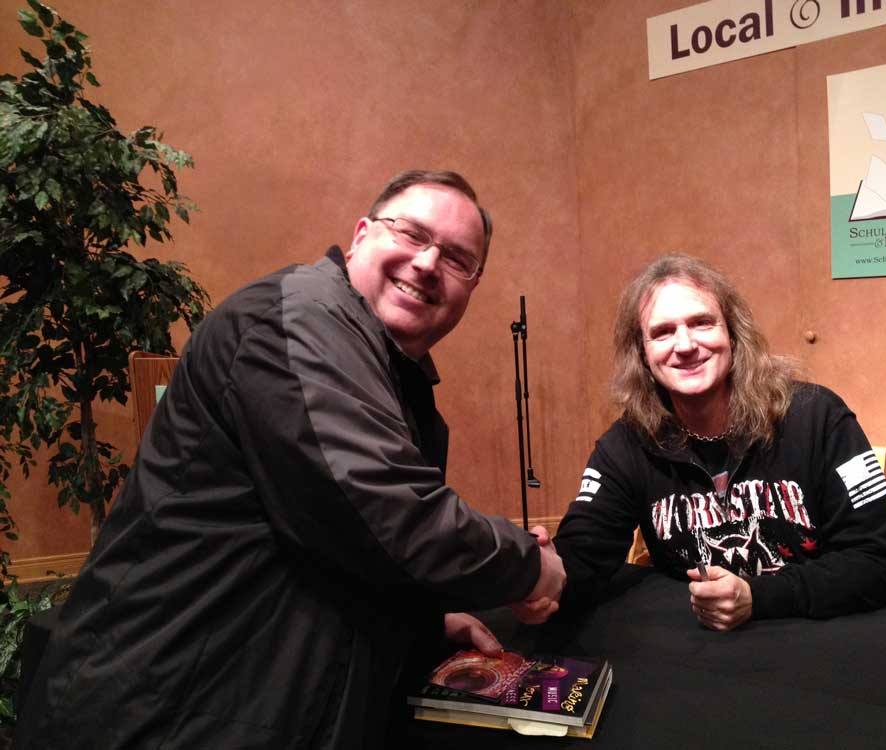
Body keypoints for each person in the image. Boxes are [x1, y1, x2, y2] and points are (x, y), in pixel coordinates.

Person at [16, 170, 564, 749]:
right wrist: (530, 565)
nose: (428, 263)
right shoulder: (300, 318)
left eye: (457, 258)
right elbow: (389, 514)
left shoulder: (386, 368)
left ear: (471, 288)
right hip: (165, 712)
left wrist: (423, 623)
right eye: (410, 233)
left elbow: (334, 548)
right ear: (359, 236)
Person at [548, 253, 886, 632]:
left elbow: (885, 561)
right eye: (662, 332)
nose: (685, 344)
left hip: (817, 646)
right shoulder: (626, 444)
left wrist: (759, 597)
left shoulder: (818, 417)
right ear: (642, 354)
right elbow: (583, 554)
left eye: (702, 323)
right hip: (704, 663)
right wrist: (540, 575)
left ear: (733, 334)